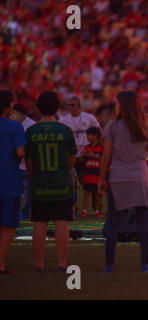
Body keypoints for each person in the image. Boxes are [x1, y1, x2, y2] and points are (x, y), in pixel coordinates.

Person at [98, 91, 148, 273]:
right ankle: (146, 264)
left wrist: (101, 178)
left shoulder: (112, 126)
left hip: (118, 178)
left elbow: (106, 155)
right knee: (143, 223)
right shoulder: (144, 126)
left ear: (122, 106)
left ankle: (109, 265)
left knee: (113, 222)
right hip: (140, 178)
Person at [26, 91, 77, 272]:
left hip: (40, 182)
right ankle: (62, 264)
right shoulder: (65, 131)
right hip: (62, 183)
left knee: (39, 223)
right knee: (61, 222)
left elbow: (29, 162)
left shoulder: (31, 131)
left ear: (38, 107)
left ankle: (38, 264)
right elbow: (72, 160)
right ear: (57, 107)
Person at [0, 90, 26, 274]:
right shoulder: (14, 127)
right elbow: (20, 153)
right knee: (8, 225)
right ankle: (0, 263)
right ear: (8, 106)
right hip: (8, 181)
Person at [10, 103, 35, 220]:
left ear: (21, 114)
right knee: (16, 192)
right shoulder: (12, 123)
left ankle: (25, 214)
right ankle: (17, 214)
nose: (12, 115)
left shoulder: (31, 125)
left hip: (26, 165)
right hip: (16, 165)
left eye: (14, 113)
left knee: (27, 193)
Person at [80, 126, 103, 218]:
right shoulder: (86, 148)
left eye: (89, 135)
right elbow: (81, 161)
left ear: (95, 136)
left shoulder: (101, 148)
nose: (87, 137)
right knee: (86, 192)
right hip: (88, 174)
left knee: (97, 193)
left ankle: (97, 211)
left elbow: (104, 159)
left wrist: (94, 156)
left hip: (97, 174)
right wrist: (82, 156)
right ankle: (84, 210)